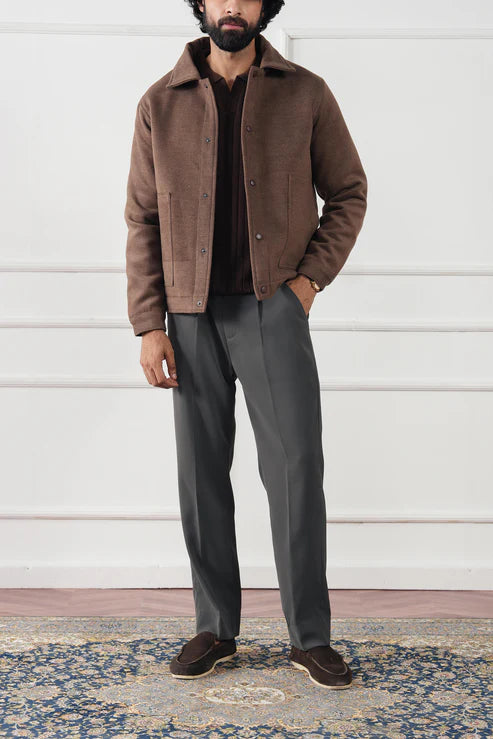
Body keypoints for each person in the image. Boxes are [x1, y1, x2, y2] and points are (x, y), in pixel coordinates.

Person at [124, 0, 367, 690]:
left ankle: (309, 637)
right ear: (200, 5)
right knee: (200, 473)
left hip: (272, 308)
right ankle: (214, 627)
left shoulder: (306, 94)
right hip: (188, 314)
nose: (233, 6)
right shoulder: (159, 103)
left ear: (266, 5)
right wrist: (148, 323)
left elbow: (348, 193)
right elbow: (142, 218)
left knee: (296, 470)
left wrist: (306, 283)